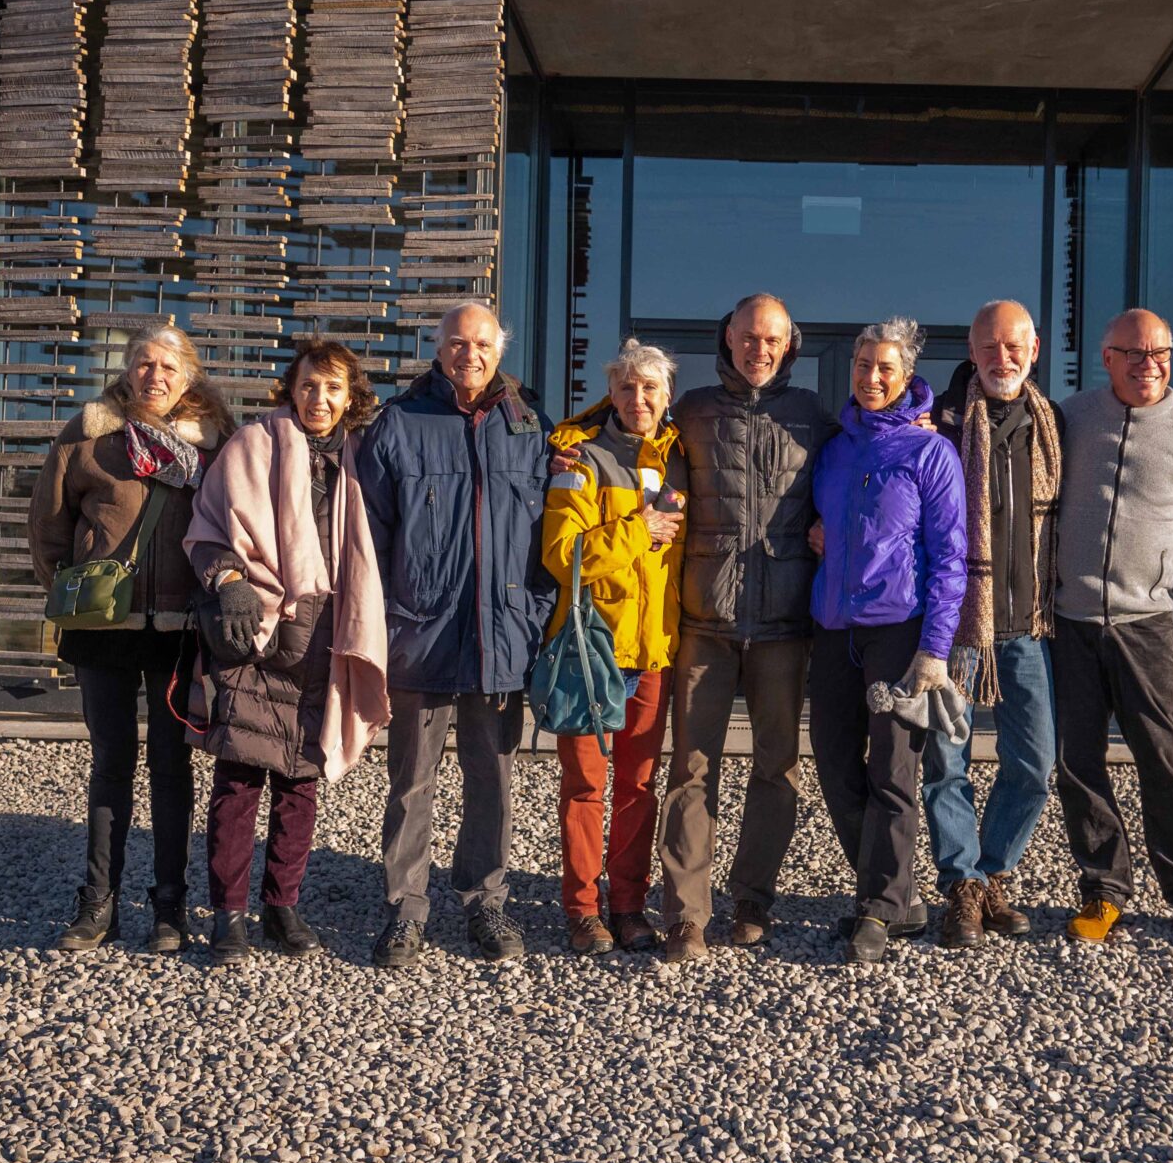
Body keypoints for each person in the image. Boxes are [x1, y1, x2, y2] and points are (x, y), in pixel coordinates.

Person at [352, 299, 555, 969]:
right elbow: (368, 542)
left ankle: (484, 902)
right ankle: (405, 909)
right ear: (438, 349)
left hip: (501, 640)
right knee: (411, 782)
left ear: (501, 350)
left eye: (482, 344)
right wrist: (383, 623)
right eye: (457, 342)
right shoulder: (399, 426)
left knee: (490, 780)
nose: (469, 354)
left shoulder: (531, 429)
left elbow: (553, 541)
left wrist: (533, 615)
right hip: (421, 638)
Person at [31, 321, 237, 955]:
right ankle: (98, 905)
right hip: (103, 631)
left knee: (173, 769)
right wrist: (81, 591)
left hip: (178, 631)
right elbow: (48, 528)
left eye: (169, 366)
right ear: (126, 369)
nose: (155, 376)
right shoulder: (89, 436)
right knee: (110, 765)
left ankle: (169, 905)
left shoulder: (215, 446)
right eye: (144, 363)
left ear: (190, 376)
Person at [185, 339, 391, 969]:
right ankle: (229, 914)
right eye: (308, 386)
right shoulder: (252, 444)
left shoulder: (362, 458)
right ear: (289, 389)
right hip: (256, 630)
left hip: (325, 635)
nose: (319, 399)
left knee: (301, 781)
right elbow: (206, 530)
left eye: (333, 388)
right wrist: (232, 582)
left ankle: (283, 905)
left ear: (350, 395)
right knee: (240, 776)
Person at [656, 292, 835, 963]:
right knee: (691, 769)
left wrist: (833, 528)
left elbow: (854, 482)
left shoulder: (813, 417)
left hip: (786, 624)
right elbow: (653, 475)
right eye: (748, 337)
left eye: (773, 339)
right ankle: (685, 914)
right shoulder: (693, 411)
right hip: (707, 620)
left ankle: (753, 897)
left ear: (790, 346)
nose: (760, 349)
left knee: (776, 766)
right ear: (727, 338)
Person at [1052, 308, 1173, 942]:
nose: (1147, 363)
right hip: (1068, 622)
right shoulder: (1070, 419)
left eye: (1159, 351)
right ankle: (1104, 889)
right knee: (1078, 762)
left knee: (1164, 758)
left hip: (1149, 623)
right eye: (1133, 353)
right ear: (1107, 357)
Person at [806, 316, 967, 965]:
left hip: (899, 631)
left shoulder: (931, 453)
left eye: (885, 368)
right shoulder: (836, 447)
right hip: (833, 627)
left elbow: (950, 556)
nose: (871, 377)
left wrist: (935, 648)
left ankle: (878, 904)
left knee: (892, 768)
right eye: (862, 364)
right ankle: (897, 893)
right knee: (833, 758)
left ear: (907, 377)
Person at [540, 339, 688, 956]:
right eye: (627, 388)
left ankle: (628, 906)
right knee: (584, 787)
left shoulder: (682, 456)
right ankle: (581, 909)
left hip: (654, 651)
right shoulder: (581, 456)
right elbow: (562, 555)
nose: (638, 400)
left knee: (638, 787)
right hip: (588, 650)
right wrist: (638, 528)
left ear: (667, 395)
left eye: (650, 389)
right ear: (611, 392)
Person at [923, 299, 1062, 949]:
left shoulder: (1053, 425)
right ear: (971, 351)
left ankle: (994, 870)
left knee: (1033, 763)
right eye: (989, 346)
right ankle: (962, 887)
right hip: (954, 633)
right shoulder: (941, 421)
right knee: (946, 763)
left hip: (1025, 629)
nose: (1001, 358)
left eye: (1014, 347)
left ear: (1034, 350)